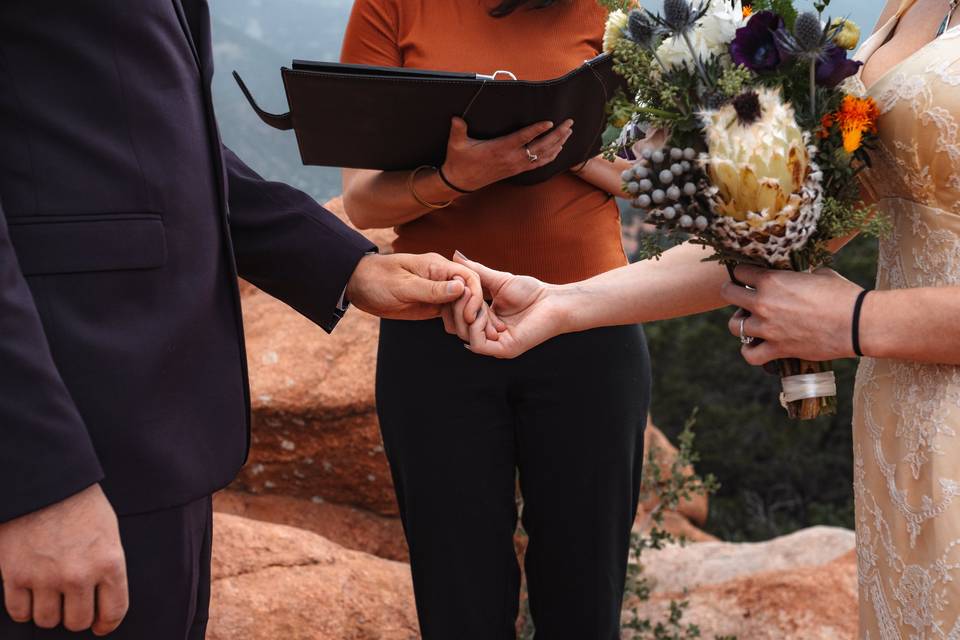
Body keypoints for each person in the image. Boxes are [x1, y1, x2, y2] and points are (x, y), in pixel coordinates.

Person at [455, 0, 960, 635]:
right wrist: (564, 304)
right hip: (905, 424)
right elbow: (783, 231)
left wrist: (859, 319)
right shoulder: (911, 6)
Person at [0, 2, 486, 639]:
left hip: (159, 436)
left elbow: (168, 144)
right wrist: (38, 485)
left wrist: (350, 267)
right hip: (68, 439)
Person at [339, 0, 652, 637]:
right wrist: (458, 175)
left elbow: (653, 177)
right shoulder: (391, 7)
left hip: (591, 325)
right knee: (459, 603)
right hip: (435, 331)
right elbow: (363, 200)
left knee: (586, 603)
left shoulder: (619, 10)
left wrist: (547, 151)